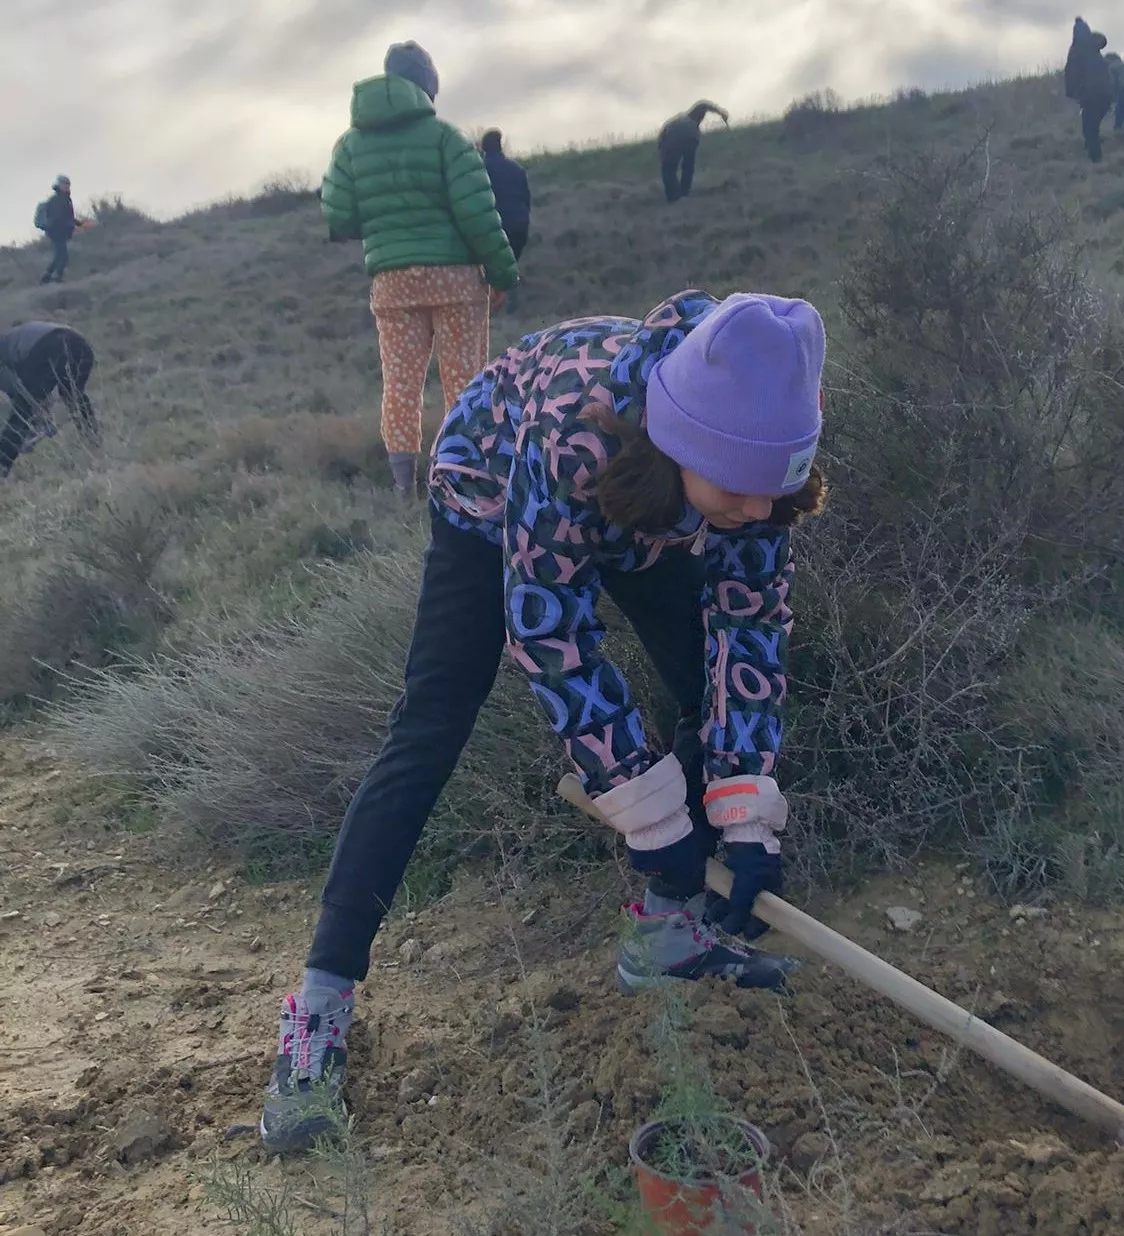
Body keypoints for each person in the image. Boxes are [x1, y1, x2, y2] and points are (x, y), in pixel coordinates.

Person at [258, 288, 827, 1153]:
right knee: (431, 727)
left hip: (655, 514)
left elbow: (745, 629)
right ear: (684, 444)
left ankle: (669, 935)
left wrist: (742, 811)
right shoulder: (577, 431)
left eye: (775, 494)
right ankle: (320, 1013)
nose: (759, 513)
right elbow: (550, 626)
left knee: (702, 694)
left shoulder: (754, 457)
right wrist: (648, 810)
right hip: (495, 496)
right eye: (743, 493)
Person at [321, 41, 519, 495]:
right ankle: (465, 481)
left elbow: (339, 214)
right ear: (428, 85)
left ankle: (403, 487)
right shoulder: (447, 139)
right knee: (465, 384)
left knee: (401, 385)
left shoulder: (350, 145)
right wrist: (503, 274)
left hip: (393, 285)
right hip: (456, 281)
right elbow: (478, 215)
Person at [0, 322, 100, 478]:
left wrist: (34, 420)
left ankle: (2, 466)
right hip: (81, 345)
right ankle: (93, 442)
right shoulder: (11, 340)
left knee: (22, 410)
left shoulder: (4, 352)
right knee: (73, 395)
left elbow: (20, 392)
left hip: (49, 345)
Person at [1064, 18, 1114, 164]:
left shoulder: (1075, 50)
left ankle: (1096, 161)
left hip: (1090, 94)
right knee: (1093, 125)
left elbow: (1070, 73)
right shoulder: (1093, 44)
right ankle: (1092, 153)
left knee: (1089, 129)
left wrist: (1071, 93)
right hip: (1106, 92)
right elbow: (1103, 40)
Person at [657, 101, 730, 203]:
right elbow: (704, 104)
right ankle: (684, 193)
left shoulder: (677, 119)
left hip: (672, 138)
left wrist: (662, 150)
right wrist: (720, 112)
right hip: (691, 134)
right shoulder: (692, 123)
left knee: (668, 169)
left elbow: (663, 134)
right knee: (688, 166)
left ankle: (675, 198)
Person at [478, 130, 531, 261]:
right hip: (520, 225)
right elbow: (526, 199)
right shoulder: (517, 168)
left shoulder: (480, 171)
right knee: (511, 264)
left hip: (495, 228)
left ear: (483, 148)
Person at [38, 177, 84, 285]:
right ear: (59, 186)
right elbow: (59, 218)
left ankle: (47, 277)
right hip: (56, 232)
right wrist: (72, 224)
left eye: (68, 185)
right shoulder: (57, 200)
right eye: (65, 184)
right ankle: (56, 278)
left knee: (60, 255)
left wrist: (78, 224)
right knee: (62, 256)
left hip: (60, 231)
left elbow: (68, 216)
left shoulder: (65, 199)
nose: (67, 187)